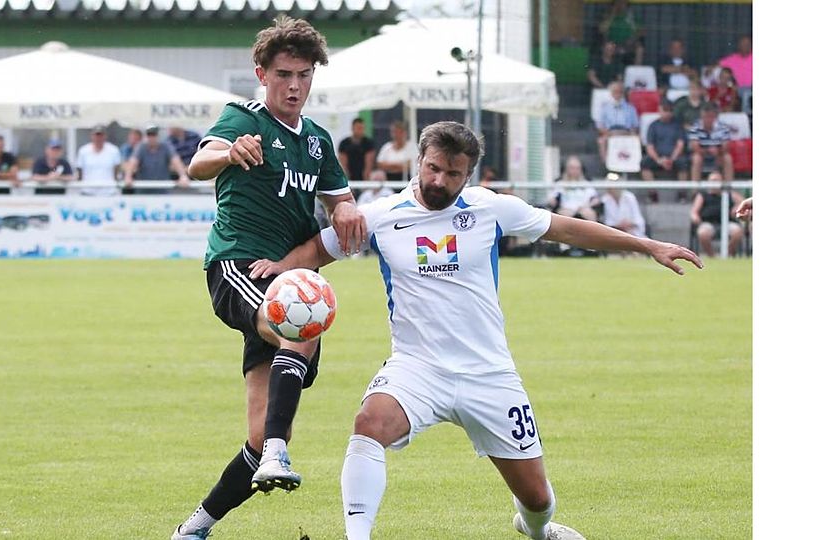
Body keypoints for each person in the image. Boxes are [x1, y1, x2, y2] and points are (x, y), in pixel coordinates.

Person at [248, 120, 703, 540]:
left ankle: (537, 529)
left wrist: (646, 244)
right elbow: (319, 249)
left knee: (538, 498)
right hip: (416, 368)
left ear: (469, 175)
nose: (440, 181)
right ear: (419, 161)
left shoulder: (491, 208)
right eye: (433, 168)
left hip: (489, 373)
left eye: (453, 173)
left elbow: (567, 229)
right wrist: (279, 269)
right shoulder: (381, 216)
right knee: (369, 424)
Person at [170, 16, 364, 540]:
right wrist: (229, 152)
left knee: (258, 435)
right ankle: (279, 451)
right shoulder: (243, 117)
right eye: (284, 74)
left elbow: (341, 200)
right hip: (238, 265)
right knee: (302, 324)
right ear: (262, 73)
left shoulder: (320, 141)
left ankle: (194, 527)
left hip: (285, 276)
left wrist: (346, 209)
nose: (295, 86)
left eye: (304, 75)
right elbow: (198, 163)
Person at [690, 171, 746, 257]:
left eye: (716, 180)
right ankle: (712, 256)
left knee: (737, 232)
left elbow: (744, 203)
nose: (714, 183)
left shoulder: (729, 194)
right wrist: (695, 218)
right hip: (708, 223)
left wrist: (737, 207)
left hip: (728, 223)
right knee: (703, 233)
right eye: (712, 180)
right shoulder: (702, 195)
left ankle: (728, 254)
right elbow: (694, 211)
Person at [124, 125, 189, 191]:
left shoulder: (166, 146)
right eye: (149, 135)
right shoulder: (141, 147)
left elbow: (176, 161)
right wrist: (128, 177)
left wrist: (183, 176)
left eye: (154, 135)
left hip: (163, 190)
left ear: (158, 135)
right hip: (143, 190)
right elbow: (133, 161)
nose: (151, 138)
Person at [640, 99, 689, 186]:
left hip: (674, 157)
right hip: (657, 158)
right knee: (644, 162)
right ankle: (652, 192)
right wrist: (659, 160)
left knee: (683, 162)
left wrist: (672, 159)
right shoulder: (653, 126)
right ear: (659, 110)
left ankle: (682, 193)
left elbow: (680, 145)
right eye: (665, 110)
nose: (667, 113)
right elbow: (650, 147)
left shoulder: (677, 125)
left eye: (670, 111)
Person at [687, 103, 733, 181]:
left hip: (719, 154)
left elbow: (726, 146)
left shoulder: (723, 128)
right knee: (696, 158)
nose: (708, 119)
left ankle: (728, 188)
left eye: (710, 117)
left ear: (715, 117)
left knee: (727, 158)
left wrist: (718, 151)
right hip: (701, 154)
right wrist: (707, 151)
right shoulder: (695, 128)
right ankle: (695, 190)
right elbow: (695, 147)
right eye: (705, 117)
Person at [596, 81, 639, 165]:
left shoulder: (630, 108)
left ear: (623, 93)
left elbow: (635, 125)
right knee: (601, 141)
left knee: (637, 139)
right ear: (611, 93)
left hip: (626, 132)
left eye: (620, 91)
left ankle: (633, 164)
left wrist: (632, 132)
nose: (617, 94)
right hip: (610, 132)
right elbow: (599, 125)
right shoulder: (605, 108)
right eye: (615, 91)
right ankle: (607, 165)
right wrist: (608, 133)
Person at [547, 155, 600, 222]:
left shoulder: (586, 183)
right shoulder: (560, 183)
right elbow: (551, 199)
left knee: (590, 214)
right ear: (567, 169)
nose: (575, 171)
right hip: (566, 209)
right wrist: (554, 203)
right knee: (563, 216)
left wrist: (588, 206)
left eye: (577, 168)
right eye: (572, 168)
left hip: (583, 208)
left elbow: (596, 199)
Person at [75, 125, 122, 196]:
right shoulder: (83, 151)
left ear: (105, 136)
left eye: (101, 135)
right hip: (88, 192)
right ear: (92, 136)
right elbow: (79, 171)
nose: (98, 138)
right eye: (96, 135)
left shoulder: (114, 150)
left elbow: (117, 170)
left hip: (108, 193)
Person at [597, 0, 644, 65]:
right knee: (608, 46)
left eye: (623, 3)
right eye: (618, 3)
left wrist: (632, 39)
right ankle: (607, 69)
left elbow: (641, 31)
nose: (620, 5)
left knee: (639, 49)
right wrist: (612, 15)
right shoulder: (608, 15)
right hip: (613, 44)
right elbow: (601, 30)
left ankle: (636, 71)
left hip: (629, 45)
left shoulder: (632, 16)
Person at [601, 172, 646, 238]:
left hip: (633, 232)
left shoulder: (630, 197)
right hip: (614, 233)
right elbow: (607, 222)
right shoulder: (604, 200)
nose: (613, 187)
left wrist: (630, 223)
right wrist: (619, 226)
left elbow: (638, 219)